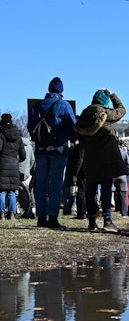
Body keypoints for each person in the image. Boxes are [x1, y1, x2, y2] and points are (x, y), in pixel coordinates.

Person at [74, 88, 129, 233]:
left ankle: (91, 221)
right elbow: (122, 110)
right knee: (106, 190)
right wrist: (113, 95)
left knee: (90, 190)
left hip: (90, 158)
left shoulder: (85, 115)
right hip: (106, 158)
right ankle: (107, 221)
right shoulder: (106, 113)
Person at [27, 77, 76, 229]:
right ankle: (53, 217)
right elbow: (71, 127)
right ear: (61, 91)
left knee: (40, 184)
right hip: (58, 150)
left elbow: (30, 128)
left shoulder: (36, 106)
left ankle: (41, 217)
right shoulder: (64, 105)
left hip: (40, 150)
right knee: (56, 184)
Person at [0, 114, 26, 220]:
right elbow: (23, 155)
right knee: (12, 191)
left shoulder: (1, 134)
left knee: (2, 191)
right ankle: (12, 214)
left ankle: (1, 214)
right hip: (14, 164)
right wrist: (17, 160)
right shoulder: (18, 136)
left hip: (2, 163)